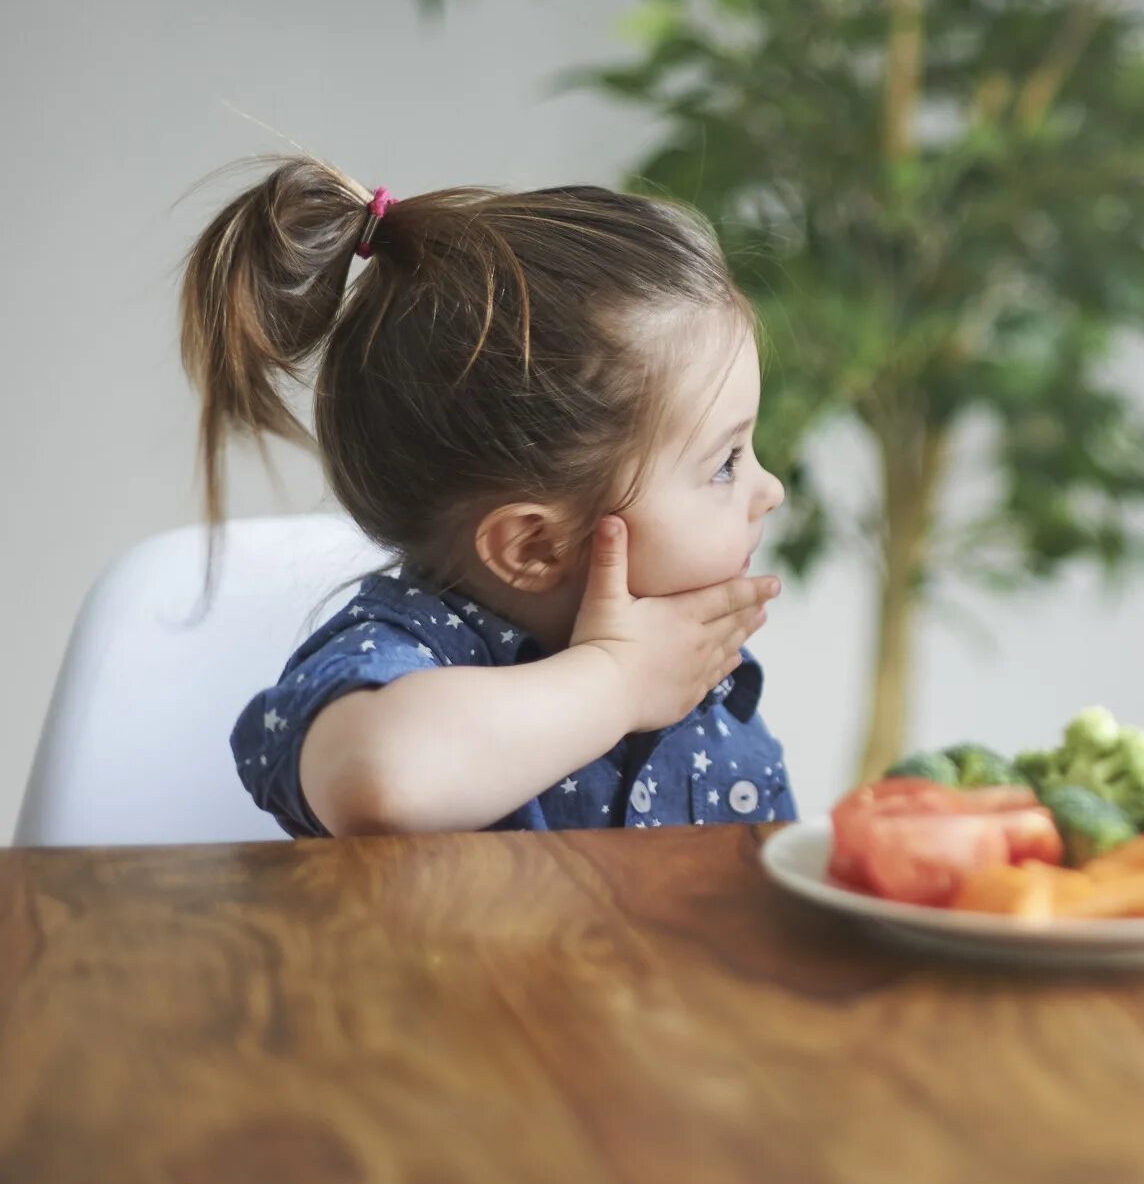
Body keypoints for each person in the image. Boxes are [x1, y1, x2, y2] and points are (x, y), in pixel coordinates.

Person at [180, 158, 791, 835]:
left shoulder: (697, 672)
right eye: (726, 464)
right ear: (533, 545)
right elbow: (381, 778)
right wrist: (616, 682)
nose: (771, 490)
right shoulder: (402, 656)